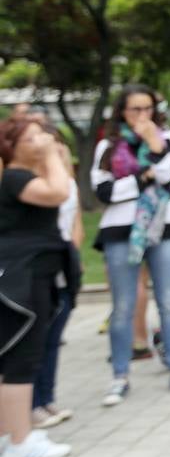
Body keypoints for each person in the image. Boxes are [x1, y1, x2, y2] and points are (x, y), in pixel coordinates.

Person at [92, 85, 170, 405]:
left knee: (168, 300)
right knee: (122, 305)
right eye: (134, 109)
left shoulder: (169, 138)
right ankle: (120, 375)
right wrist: (143, 179)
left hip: (163, 225)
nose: (141, 116)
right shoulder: (108, 146)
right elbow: (105, 191)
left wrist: (154, 146)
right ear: (122, 111)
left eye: (147, 109)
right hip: (121, 230)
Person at [0, 117, 74, 457]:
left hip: (34, 273)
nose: (42, 140)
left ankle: (11, 435)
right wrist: (51, 156)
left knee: (21, 356)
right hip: (23, 277)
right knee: (21, 358)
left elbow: (66, 185)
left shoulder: (26, 176)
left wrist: (50, 156)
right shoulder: (15, 177)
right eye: (32, 138)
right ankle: (19, 441)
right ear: (12, 146)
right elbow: (59, 193)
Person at [31, 124, 81, 429]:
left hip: (63, 261)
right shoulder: (33, 184)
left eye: (57, 143)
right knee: (36, 337)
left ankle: (46, 397)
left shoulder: (66, 182)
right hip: (39, 266)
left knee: (53, 336)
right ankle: (32, 403)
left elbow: (73, 217)